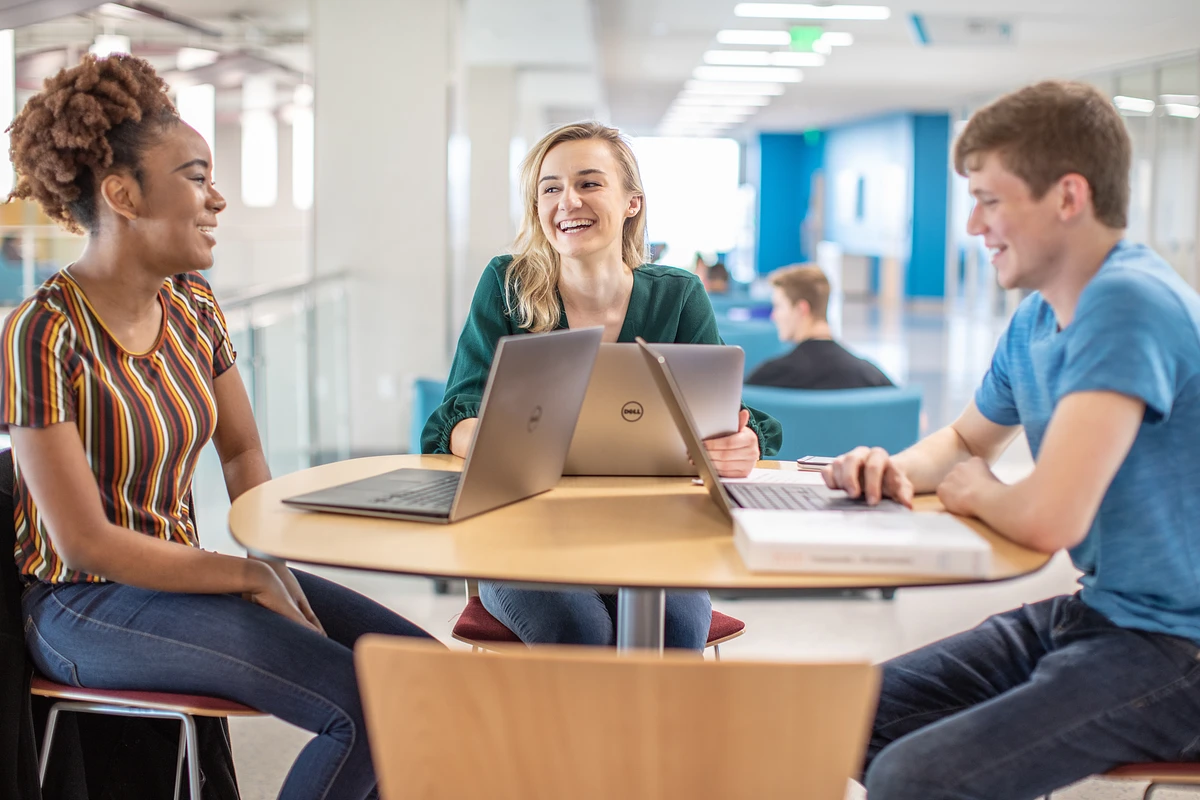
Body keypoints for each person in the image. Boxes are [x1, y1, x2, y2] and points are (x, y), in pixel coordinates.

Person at [2, 54, 437, 800]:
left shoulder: (194, 306)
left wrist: (271, 556)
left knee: (426, 676)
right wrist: (243, 576)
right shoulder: (41, 333)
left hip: (184, 579)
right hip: (83, 602)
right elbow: (84, 542)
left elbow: (242, 449)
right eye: (197, 177)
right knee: (367, 704)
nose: (220, 199)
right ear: (122, 194)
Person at [823, 80, 1200, 800]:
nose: (972, 225)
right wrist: (890, 469)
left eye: (990, 200)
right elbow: (966, 438)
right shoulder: (1037, 320)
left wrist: (980, 490)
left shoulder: (1128, 304)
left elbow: (1049, 518)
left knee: (914, 777)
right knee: (848, 716)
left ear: (1068, 197)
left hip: (1179, 651)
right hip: (1103, 615)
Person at [422, 121, 781, 649]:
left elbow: (721, 413)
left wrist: (738, 444)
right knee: (578, 629)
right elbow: (457, 416)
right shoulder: (506, 284)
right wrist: (494, 438)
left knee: (675, 626)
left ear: (632, 202)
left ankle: (654, 736)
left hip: (653, 530)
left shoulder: (677, 295)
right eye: (551, 188)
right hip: (524, 529)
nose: (568, 201)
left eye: (589, 183)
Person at [747, 263, 893, 390]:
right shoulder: (871, 378)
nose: (774, 316)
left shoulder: (769, 377)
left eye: (778, 306)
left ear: (801, 309)